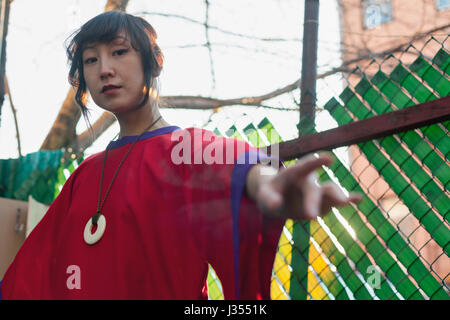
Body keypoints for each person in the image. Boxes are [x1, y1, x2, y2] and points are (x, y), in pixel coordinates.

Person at [0, 11, 361, 300]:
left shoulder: (186, 149)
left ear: (154, 61)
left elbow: (237, 166)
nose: (104, 69)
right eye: (91, 60)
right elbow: (30, 274)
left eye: (119, 52)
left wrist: (271, 183)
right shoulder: (83, 176)